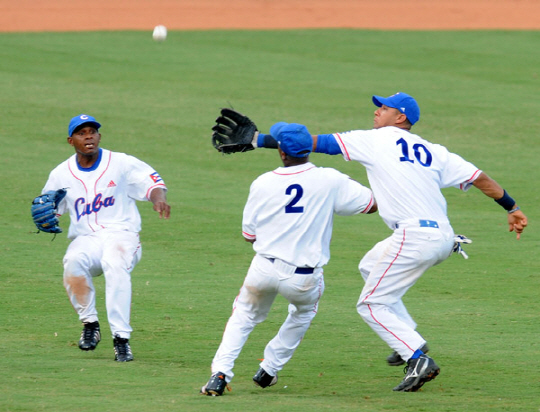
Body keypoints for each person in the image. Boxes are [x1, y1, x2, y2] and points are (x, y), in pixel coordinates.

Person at [254, 92, 528, 392]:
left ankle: (416, 358)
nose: (376, 112)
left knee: (371, 305)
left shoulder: (377, 140)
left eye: (384, 108)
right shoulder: (435, 151)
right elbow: (480, 177)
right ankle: (409, 336)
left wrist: (261, 140)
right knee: (369, 265)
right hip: (441, 236)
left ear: (400, 118)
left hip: (414, 237)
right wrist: (512, 208)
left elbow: (313, 143)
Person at [200, 122, 377, 396]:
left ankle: (219, 375)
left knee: (243, 316)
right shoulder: (330, 180)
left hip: (264, 268)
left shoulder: (263, 182)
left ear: (281, 152)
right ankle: (268, 370)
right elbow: (371, 205)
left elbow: (249, 234)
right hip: (304, 278)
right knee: (303, 313)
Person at [39, 114, 171, 362]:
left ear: (99, 136)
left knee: (114, 261)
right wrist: (47, 219)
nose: (88, 136)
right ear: (71, 140)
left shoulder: (120, 163)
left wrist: (159, 199)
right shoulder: (60, 174)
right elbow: (49, 209)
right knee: (73, 261)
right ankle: (90, 324)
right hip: (86, 238)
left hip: (122, 234)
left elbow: (152, 182)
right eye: (81, 133)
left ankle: (121, 339)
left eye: (92, 131)